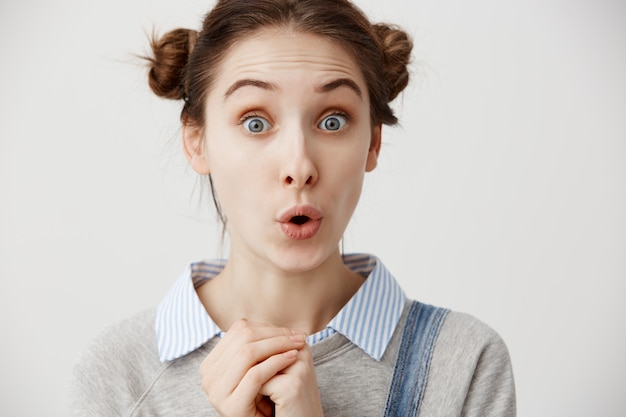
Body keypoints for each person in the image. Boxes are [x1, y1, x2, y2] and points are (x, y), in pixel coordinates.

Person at [71, 0, 516, 416]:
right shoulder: (118, 376)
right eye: (256, 122)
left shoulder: (462, 364)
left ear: (373, 142)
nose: (299, 166)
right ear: (197, 141)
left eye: (332, 120)